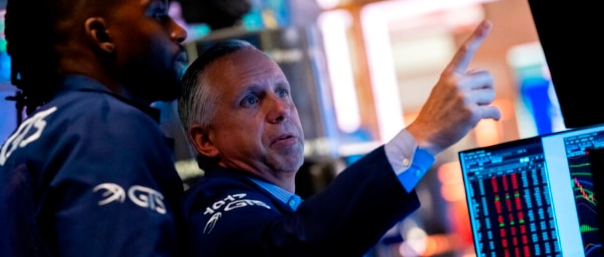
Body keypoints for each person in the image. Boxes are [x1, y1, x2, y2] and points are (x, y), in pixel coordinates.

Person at [177, 20, 500, 256]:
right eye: (250, 99)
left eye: (282, 92)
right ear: (206, 140)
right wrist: (424, 135)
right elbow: (292, 248)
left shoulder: (277, 205)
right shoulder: (214, 207)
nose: (281, 109)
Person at [0, 0, 189, 256]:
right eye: (158, 14)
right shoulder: (105, 125)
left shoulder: (17, 149)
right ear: (102, 35)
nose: (178, 31)